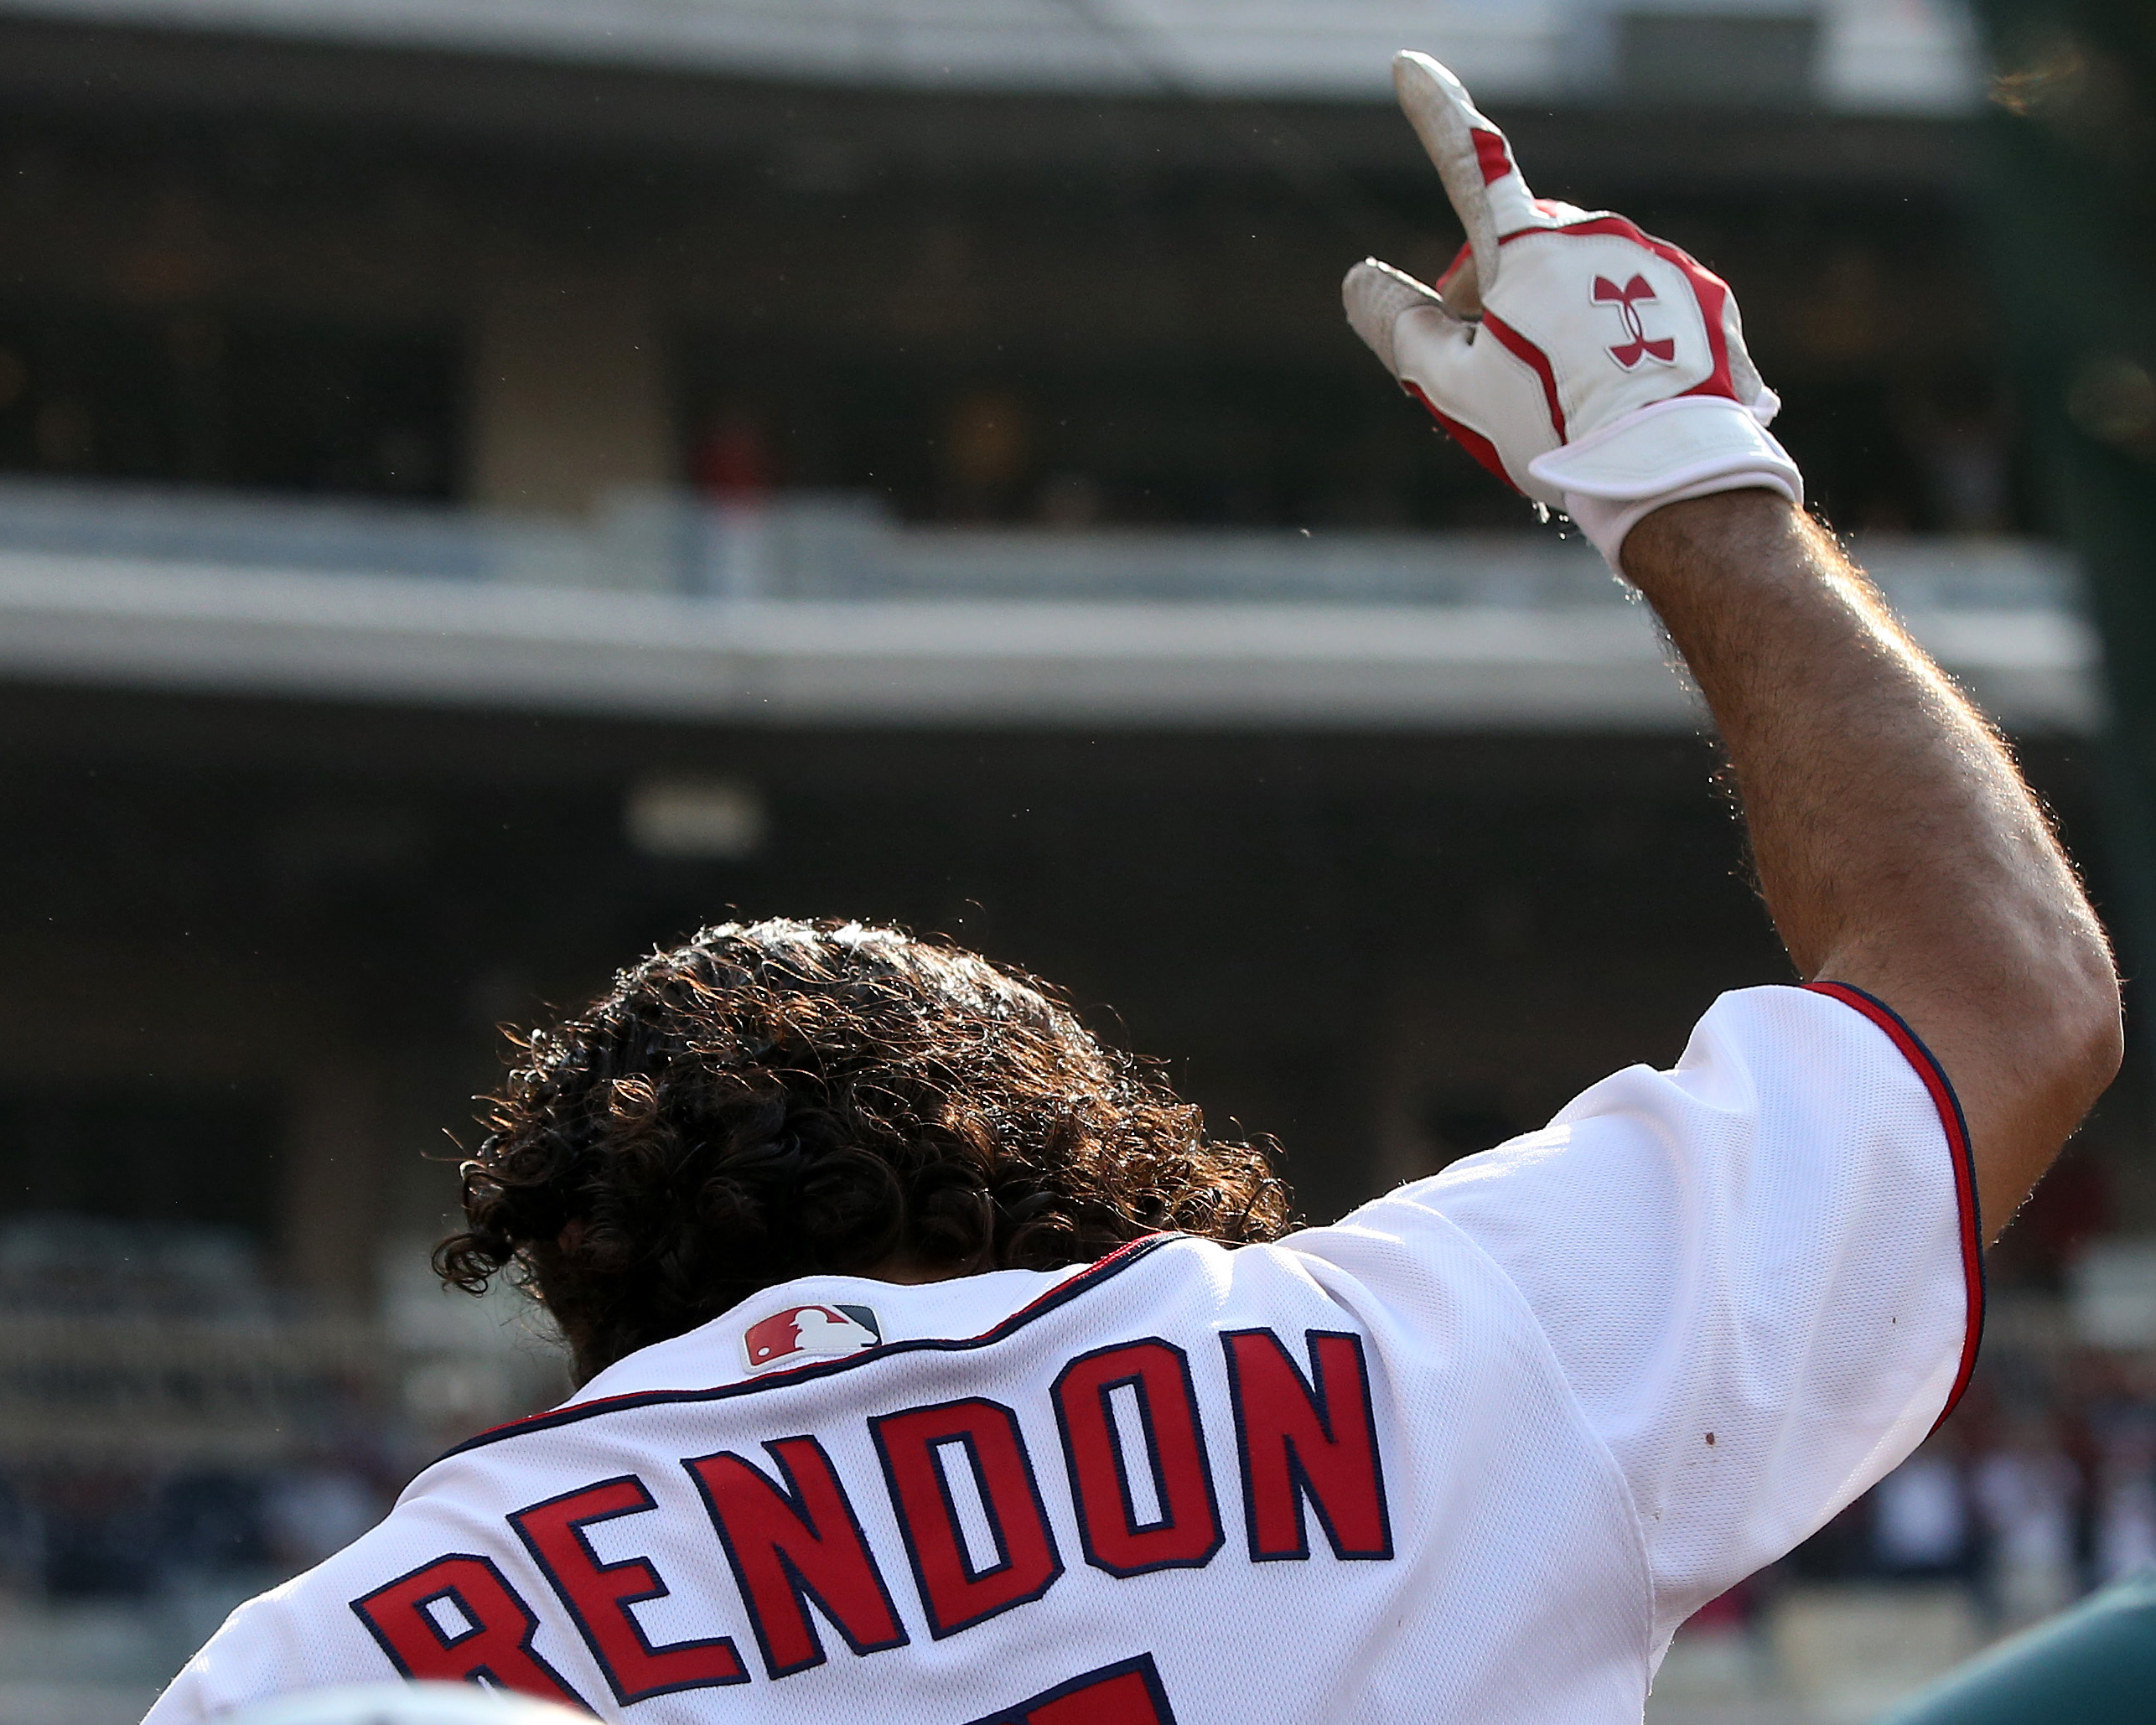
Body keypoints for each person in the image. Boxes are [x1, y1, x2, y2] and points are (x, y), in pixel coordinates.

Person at [143, 54, 2121, 1725]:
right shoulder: (1428, 1362)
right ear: (1079, 1152)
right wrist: (1686, 473)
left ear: (589, 1289)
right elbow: (2000, 992)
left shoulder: (343, 1653)